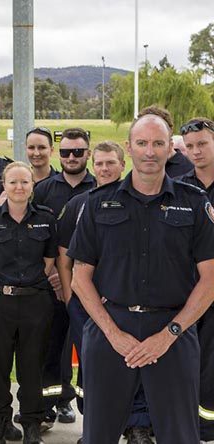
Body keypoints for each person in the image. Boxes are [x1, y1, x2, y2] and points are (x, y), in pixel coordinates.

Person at [68, 112, 214, 444]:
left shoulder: (194, 204)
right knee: (98, 434)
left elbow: (210, 279)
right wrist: (113, 334)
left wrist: (169, 334)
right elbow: (80, 278)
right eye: (143, 143)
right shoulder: (97, 204)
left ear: (170, 149)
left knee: (180, 434)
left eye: (158, 143)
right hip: (110, 331)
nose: (150, 151)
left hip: (173, 332)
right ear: (129, 147)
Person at [55, 141, 132, 443]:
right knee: (91, 368)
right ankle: (94, 430)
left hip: (124, 303)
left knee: (131, 365)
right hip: (84, 305)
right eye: (99, 163)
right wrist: (70, 296)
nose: (104, 168)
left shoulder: (138, 202)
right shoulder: (79, 204)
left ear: (122, 165)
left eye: (110, 163)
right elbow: (65, 256)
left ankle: (135, 426)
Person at [0, 161, 58, 444]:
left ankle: (31, 427)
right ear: (4, 185)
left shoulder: (46, 218)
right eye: (13, 182)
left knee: (31, 368)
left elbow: (49, 261)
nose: (18, 187)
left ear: (32, 186)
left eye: (24, 182)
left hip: (35, 303)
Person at [32, 127, 96, 428]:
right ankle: (49, 406)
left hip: (90, 288)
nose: (72, 157)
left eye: (78, 152)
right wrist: (55, 274)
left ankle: (80, 407)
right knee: (51, 349)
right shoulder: (43, 189)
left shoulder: (99, 187)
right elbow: (37, 235)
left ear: (88, 153)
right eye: (67, 152)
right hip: (51, 286)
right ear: (60, 155)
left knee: (88, 350)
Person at [178, 117, 214, 442]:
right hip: (191, 289)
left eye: (202, 144)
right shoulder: (180, 187)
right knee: (191, 360)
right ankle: (194, 427)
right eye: (189, 147)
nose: (196, 151)